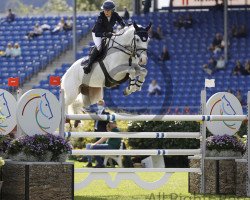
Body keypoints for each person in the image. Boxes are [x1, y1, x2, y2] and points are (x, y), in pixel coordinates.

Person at [82, 0, 125, 74]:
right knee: (99, 47)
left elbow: (121, 21)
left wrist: (124, 25)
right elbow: (97, 34)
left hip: (108, 32)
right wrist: (105, 34)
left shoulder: (115, 14)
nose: (106, 12)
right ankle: (89, 65)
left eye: (108, 10)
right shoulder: (100, 18)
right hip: (97, 33)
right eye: (105, 10)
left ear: (113, 10)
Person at [85, 100, 110, 167]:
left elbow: (108, 123)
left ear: (103, 104)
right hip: (96, 132)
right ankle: (90, 162)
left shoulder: (106, 113)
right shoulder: (96, 112)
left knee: (96, 147)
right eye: (98, 104)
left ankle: (100, 162)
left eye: (100, 104)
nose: (99, 105)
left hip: (103, 133)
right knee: (90, 146)